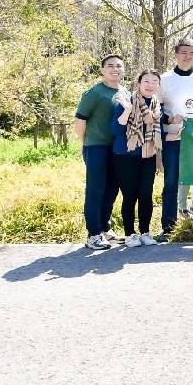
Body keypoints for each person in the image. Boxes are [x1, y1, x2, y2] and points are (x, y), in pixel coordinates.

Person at [159, 37, 193, 239]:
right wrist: (170, 119)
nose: (187, 56)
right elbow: (157, 109)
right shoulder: (164, 79)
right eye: (183, 52)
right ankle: (168, 227)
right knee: (171, 182)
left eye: (192, 53)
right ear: (175, 54)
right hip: (173, 137)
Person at [75, 54, 128, 250]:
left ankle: (105, 228)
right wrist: (85, 144)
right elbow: (80, 120)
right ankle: (93, 234)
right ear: (102, 70)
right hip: (96, 147)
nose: (115, 69)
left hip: (117, 148)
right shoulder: (94, 93)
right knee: (95, 190)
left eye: (119, 66)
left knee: (112, 189)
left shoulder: (124, 92)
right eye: (111, 66)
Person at [111, 69, 162, 248]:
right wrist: (127, 111)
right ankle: (130, 234)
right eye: (146, 81)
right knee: (130, 195)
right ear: (139, 83)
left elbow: (160, 131)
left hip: (148, 155)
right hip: (126, 156)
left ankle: (145, 232)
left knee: (146, 195)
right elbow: (116, 130)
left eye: (154, 82)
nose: (150, 85)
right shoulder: (126, 102)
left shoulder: (156, 106)